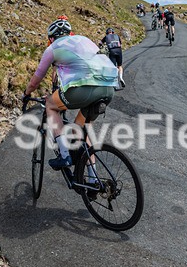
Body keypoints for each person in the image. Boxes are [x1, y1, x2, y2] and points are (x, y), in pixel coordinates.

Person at [23, 17, 118, 169]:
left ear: (51, 38)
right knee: (81, 130)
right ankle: (93, 178)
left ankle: (65, 156)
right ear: (69, 33)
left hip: (85, 87)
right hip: (109, 87)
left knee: (50, 105)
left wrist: (26, 93)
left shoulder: (53, 47)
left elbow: (36, 80)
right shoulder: (84, 40)